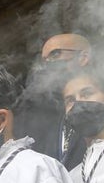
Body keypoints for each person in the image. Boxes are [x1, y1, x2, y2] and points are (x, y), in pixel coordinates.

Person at [16, 33, 92, 164]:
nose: (48, 64)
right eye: (44, 60)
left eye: (55, 54)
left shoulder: (103, 100)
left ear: (83, 58)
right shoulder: (41, 112)